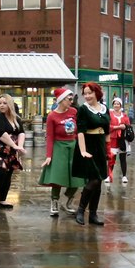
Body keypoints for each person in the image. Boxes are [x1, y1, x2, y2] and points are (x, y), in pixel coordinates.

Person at [39, 88, 84, 216]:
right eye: (69, 99)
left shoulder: (74, 111)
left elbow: (78, 131)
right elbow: (50, 137)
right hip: (59, 147)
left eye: (71, 99)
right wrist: (49, 156)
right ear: (61, 100)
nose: (71, 101)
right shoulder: (52, 116)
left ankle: (68, 199)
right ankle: (54, 202)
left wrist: (82, 148)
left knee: (78, 176)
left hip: (73, 145)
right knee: (57, 177)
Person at [71, 82, 110, 225]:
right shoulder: (83, 109)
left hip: (100, 145)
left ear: (97, 93)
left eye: (90, 93)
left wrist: (107, 149)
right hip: (88, 145)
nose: (87, 96)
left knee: (99, 181)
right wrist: (82, 151)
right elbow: (80, 132)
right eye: (85, 93)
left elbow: (107, 131)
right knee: (93, 180)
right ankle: (81, 210)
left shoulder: (105, 108)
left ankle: (93, 214)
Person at [106, 97, 130, 184]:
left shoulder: (124, 115)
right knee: (112, 158)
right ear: (113, 105)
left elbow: (128, 126)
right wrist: (117, 127)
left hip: (122, 139)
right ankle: (109, 176)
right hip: (113, 139)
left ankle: (124, 176)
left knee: (123, 158)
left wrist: (126, 127)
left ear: (120, 105)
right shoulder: (109, 114)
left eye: (118, 104)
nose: (116, 105)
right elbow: (107, 127)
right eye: (115, 104)